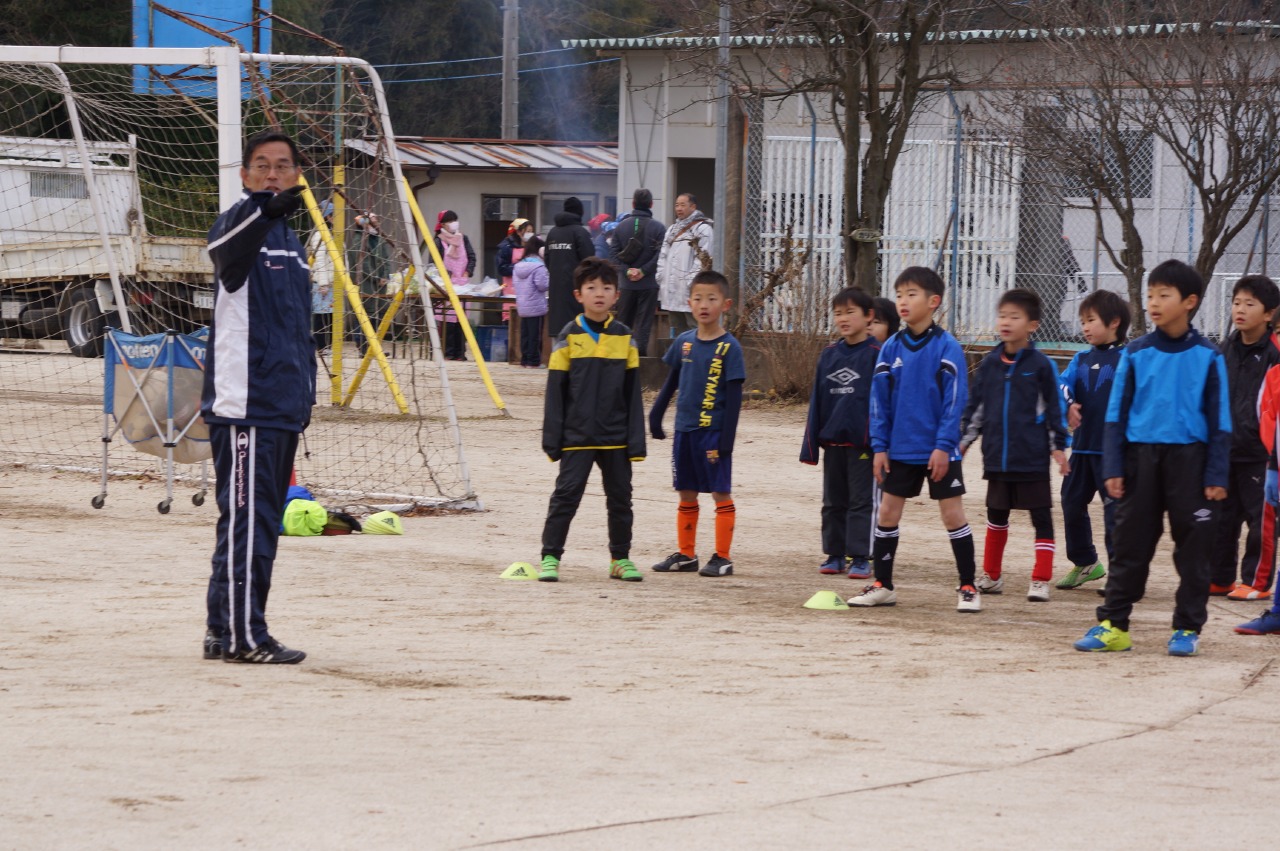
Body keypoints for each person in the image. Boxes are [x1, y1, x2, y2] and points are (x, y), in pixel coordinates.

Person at [1074, 259, 1230, 657]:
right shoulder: (1136, 353)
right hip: (1140, 460)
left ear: (1190, 301)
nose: (1154, 303)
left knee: (1193, 550)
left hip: (1191, 463)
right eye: (1150, 295)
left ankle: (1186, 628)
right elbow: (1116, 415)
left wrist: (1216, 474)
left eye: (1164, 295)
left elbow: (1220, 422)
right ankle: (1114, 625)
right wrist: (1113, 466)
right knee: (1129, 544)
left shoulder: (1209, 356)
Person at [201, 130, 316, 664]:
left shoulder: (293, 242)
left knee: (258, 522)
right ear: (245, 175)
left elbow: (297, 329)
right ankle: (246, 638)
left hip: (282, 408)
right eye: (263, 165)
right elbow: (224, 252)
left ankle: (222, 629)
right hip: (247, 406)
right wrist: (264, 211)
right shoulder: (239, 223)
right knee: (248, 523)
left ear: (297, 175)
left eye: (283, 165)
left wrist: (304, 396)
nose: (273, 173)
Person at [848, 266, 981, 612]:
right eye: (899, 294)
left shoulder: (947, 347)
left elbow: (955, 402)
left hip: (939, 450)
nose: (903, 301)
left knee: (952, 515)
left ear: (933, 301)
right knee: (887, 513)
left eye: (912, 294)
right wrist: (880, 447)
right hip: (900, 449)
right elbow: (878, 401)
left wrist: (943, 446)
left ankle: (968, 586)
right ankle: (883, 585)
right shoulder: (890, 347)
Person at [538, 256, 646, 583]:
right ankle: (550, 557)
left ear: (617, 295)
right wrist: (553, 439)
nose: (599, 293)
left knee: (621, 500)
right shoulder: (568, 336)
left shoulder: (626, 338)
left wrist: (635, 442)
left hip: (616, 438)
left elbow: (633, 395)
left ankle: (620, 559)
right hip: (577, 437)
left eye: (607, 288)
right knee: (565, 497)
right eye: (592, 287)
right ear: (578, 294)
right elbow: (555, 393)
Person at [960, 288, 1070, 602]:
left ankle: (1041, 579)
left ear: (1032, 325)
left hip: (1031, 458)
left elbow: (1054, 409)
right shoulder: (990, 364)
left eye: (1014, 317)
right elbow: (976, 408)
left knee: (1041, 517)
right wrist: (963, 442)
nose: (1006, 322)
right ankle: (992, 576)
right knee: (996, 517)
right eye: (1002, 316)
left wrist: (1058, 447)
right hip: (997, 458)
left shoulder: (1041, 365)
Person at [648, 270, 746, 578]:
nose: (704, 305)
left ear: (725, 304)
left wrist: (726, 442)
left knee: (719, 492)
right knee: (686, 491)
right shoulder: (684, 343)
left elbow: (734, 400)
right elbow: (671, 383)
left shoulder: (730, 348)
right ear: (689, 303)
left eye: (712, 299)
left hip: (713, 434)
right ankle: (687, 554)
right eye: (698, 298)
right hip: (685, 432)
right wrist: (656, 415)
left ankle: (723, 557)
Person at [799, 287, 880, 580]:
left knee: (861, 502)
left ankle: (860, 557)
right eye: (837, 313)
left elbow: (886, 403)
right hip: (833, 444)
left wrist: (882, 445)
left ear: (868, 316)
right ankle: (834, 554)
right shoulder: (829, 355)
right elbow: (817, 402)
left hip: (864, 447)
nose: (843, 319)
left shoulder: (877, 355)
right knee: (832, 502)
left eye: (850, 312)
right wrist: (810, 447)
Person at [1055, 289, 1131, 592]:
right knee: (1071, 502)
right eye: (1082, 321)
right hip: (1083, 449)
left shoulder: (1128, 359)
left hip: (1113, 455)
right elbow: (1062, 384)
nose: (1084, 327)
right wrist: (1068, 404)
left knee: (1116, 514)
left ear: (1114, 322)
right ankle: (1085, 562)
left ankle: (1121, 573)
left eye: (1091, 320)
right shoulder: (1081, 358)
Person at [1210, 275, 1280, 599]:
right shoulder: (1223, 350)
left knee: (1260, 520)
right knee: (1222, 519)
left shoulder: (1274, 354)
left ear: (1269, 313)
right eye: (1236, 302)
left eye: (1250, 304)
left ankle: (1257, 582)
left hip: (1260, 454)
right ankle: (1220, 578)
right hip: (1226, 449)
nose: (1240, 309)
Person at [609, 188, 667, 356]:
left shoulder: (620, 227)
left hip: (626, 285)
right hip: (649, 284)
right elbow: (661, 255)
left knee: (623, 323)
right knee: (643, 325)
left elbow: (612, 255)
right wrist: (643, 271)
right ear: (651, 204)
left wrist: (627, 271)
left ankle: (621, 357)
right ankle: (640, 359)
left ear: (633, 204)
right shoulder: (659, 228)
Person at [656, 193, 715, 346]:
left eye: (683, 205)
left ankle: (696, 355)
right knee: (676, 329)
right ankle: (681, 356)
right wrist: (661, 276)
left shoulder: (703, 229)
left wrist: (691, 281)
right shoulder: (672, 230)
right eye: (677, 205)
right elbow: (663, 255)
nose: (679, 208)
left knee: (694, 327)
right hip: (671, 288)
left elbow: (703, 258)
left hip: (690, 289)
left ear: (693, 207)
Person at [545, 198, 596, 337]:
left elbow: (547, 260)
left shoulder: (552, 233)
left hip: (555, 291)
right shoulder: (580, 233)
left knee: (558, 336)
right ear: (580, 213)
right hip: (576, 292)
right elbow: (590, 262)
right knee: (576, 332)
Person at [434, 210, 476, 361]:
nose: (454, 223)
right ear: (442, 224)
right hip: (446, 285)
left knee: (461, 320)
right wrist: (446, 273)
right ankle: (448, 352)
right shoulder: (438, 241)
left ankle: (460, 353)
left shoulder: (463, 238)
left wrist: (468, 271)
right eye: (450, 221)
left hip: (462, 284)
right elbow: (434, 263)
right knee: (448, 321)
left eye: (455, 220)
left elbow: (471, 257)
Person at [351, 211, 391, 356]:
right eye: (373, 220)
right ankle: (364, 347)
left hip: (381, 284)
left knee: (380, 312)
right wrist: (376, 278)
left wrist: (385, 276)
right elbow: (363, 263)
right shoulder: (359, 239)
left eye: (376, 219)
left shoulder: (379, 238)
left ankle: (375, 346)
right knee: (366, 313)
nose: (376, 222)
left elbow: (386, 259)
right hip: (366, 283)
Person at [512, 235, 549, 367]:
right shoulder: (539, 267)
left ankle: (525, 359)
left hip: (523, 305)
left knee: (525, 334)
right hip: (536, 306)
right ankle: (534, 361)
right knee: (535, 335)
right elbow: (543, 285)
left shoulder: (518, 266)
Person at [306, 199, 335, 353]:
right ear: (328, 216)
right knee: (321, 314)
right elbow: (320, 259)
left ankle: (329, 345)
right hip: (323, 282)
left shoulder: (333, 234)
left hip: (333, 281)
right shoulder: (320, 235)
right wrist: (323, 283)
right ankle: (321, 346)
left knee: (331, 315)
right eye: (334, 215)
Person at [496, 217, 533, 283]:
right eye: (528, 231)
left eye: (531, 231)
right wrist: (520, 266)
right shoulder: (507, 247)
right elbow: (502, 269)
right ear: (518, 232)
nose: (530, 234)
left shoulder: (532, 246)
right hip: (512, 285)